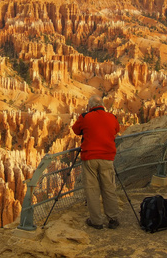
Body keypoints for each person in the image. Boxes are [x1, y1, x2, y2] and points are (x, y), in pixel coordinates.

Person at [72, 94, 120, 230]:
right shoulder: (112, 117)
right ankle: (113, 219)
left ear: (90, 106)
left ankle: (96, 221)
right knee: (109, 188)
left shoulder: (85, 117)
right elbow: (117, 129)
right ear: (103, 105)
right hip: (107, 158)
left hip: (90, 158)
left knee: (92, 190)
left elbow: (76, 130)